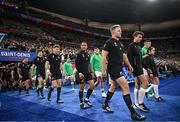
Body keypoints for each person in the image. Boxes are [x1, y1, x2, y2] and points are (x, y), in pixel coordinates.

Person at [102, 25, 146, 120]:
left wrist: (129, 65)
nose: (121, 32)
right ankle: (133, 113)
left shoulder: (120, 44)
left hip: (119, 68)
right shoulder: (109, 42)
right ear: (113, 32)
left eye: (120, 30)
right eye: (119, 31)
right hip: (113, 68)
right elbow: (104, 56)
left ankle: (105, 104)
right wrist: (103, 70)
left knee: (113, 86)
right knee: (125, 87)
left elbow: (124, 56)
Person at [127, 31, 150, 112]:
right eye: (139, 37)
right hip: (136, 68)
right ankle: (140, 103)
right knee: (146, 83)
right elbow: (129, 58)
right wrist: (130, 68)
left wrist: (145, 67)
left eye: (141, 37)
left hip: (140, 67)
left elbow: (140, 59)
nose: (141, 38)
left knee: (138, 84)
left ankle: (136, 103)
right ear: (135, 37)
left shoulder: (139, 46)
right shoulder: (131, 46)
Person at [75, 41, 95, 109]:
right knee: (82, 88)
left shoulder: (88, 54)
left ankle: (86, 99)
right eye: (82, 45)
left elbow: (89, 64)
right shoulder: (79, 54)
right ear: (81, 46)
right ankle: (81, 102)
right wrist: (80, 72)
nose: (84, 46)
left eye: (85, 45)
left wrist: (91, 72)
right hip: (81, 73)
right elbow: (76, 64)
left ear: (87, 46)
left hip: (87, 72)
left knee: (92, 85)